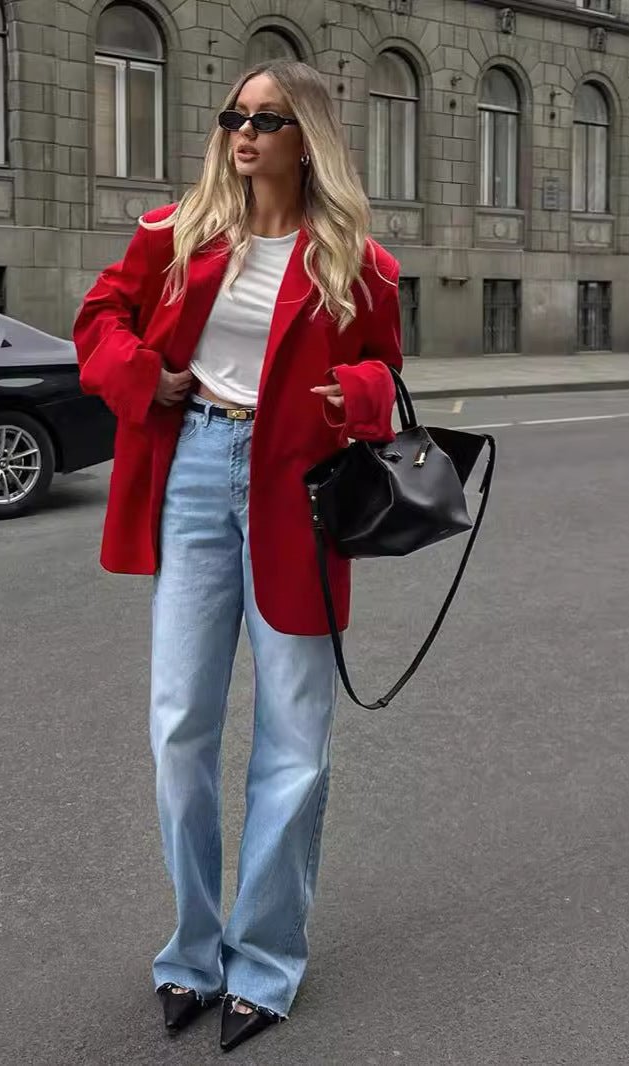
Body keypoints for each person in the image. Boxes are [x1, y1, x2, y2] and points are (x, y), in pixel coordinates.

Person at [74, 59, 402, 1052]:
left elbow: (383, 370)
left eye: (265, 119)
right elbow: (96, 323)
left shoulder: (355, 261)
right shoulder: (173, 236)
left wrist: (356, 400)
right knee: (180, 726)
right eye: (233, 116)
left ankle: (263, 963)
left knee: (293, 747)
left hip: (296, 487)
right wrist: (151, 375)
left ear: (307, 137)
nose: (242, 133)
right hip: (194, 472)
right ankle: (192, 950)